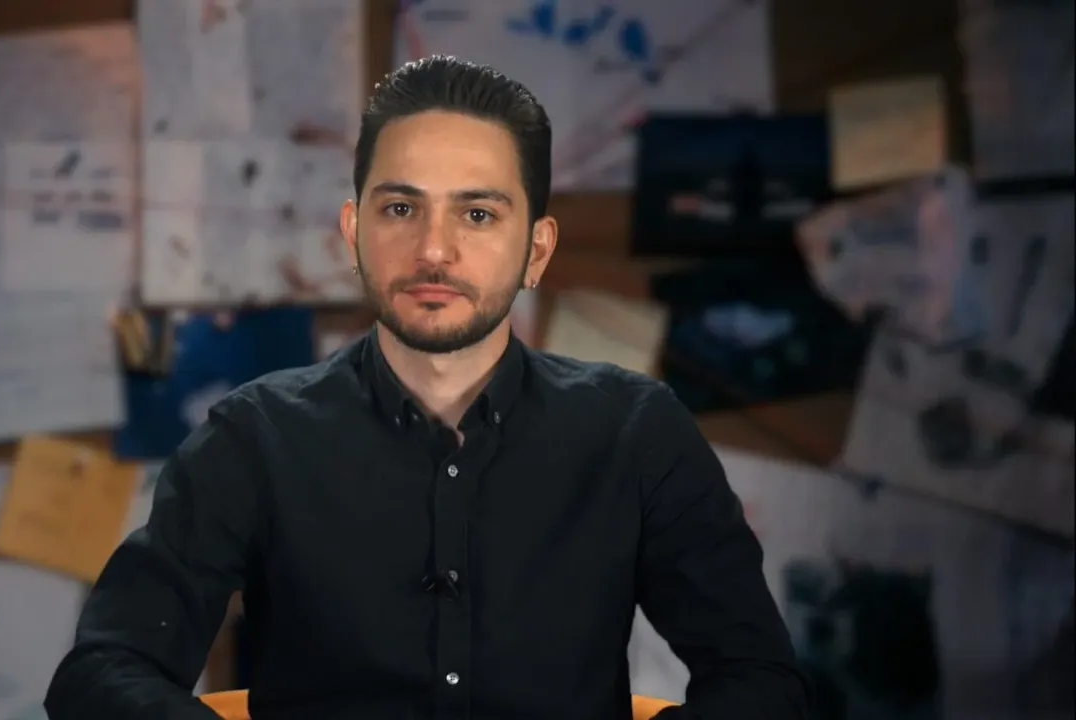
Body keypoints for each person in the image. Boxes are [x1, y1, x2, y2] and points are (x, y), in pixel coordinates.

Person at [44, 55, 810, 720]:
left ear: (536, 250)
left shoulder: (637, 432)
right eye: (401, 208)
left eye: (477, 213)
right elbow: (102, 673)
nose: (434, 249)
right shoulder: (254, 438)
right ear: (354, 233)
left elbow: (762, 683)